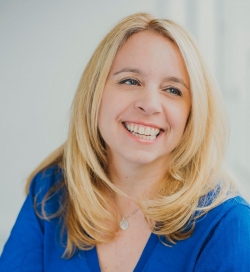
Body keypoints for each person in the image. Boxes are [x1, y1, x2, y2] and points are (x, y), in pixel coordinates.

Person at [0, 12, 250, 272]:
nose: (150, 104)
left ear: (192, 113)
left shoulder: (228, 224)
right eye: (130, 80)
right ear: (95, 94)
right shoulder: (51, 191)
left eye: (172, 90)